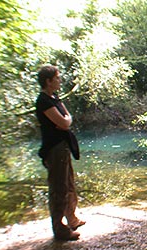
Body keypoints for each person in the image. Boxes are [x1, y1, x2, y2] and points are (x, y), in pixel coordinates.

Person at [36, 65, 85, 241]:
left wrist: (66, 120)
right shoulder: (43, 101)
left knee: (69, 183)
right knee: (58, 187)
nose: (59, 80)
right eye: (56, 78)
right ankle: (60, 229)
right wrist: (65, 121)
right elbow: (64, 123)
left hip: (62, 146)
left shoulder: (53, 97)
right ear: (48, 81)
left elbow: (67, 119)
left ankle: (72, 219)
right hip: (54, 148)